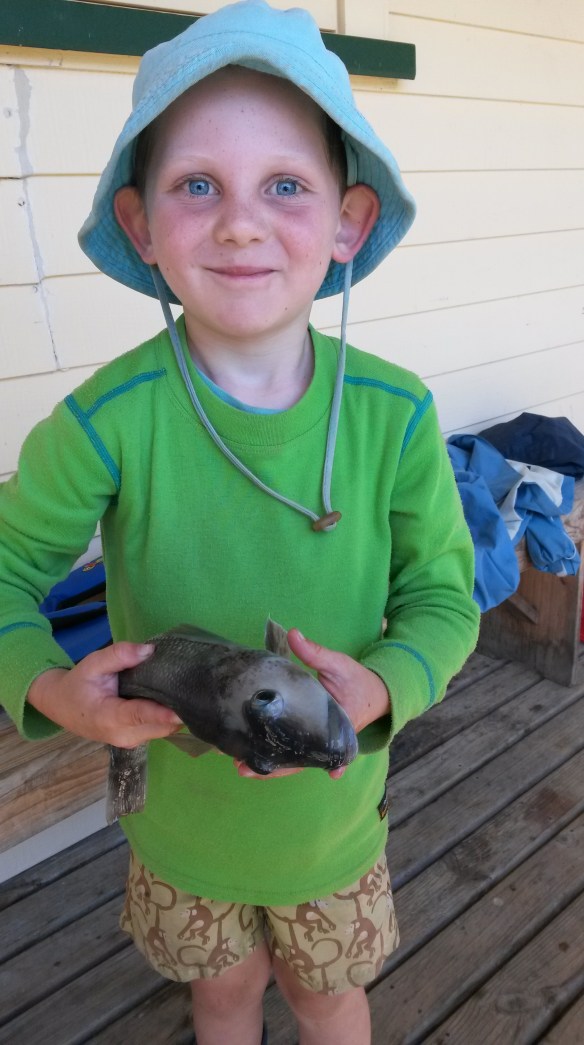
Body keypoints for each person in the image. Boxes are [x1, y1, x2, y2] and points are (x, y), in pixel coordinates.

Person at [0, 2, 480, 1043]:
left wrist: (386, 682)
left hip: (333, 832)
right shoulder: (101, 425)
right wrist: (48, 687)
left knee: (328, 997)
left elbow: (443, 593)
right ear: (140, 224)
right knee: (217, 997)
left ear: (348, 221)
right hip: (179, 839)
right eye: (197, 185)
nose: (239, 222)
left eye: (285, 185)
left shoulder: (394, 413)